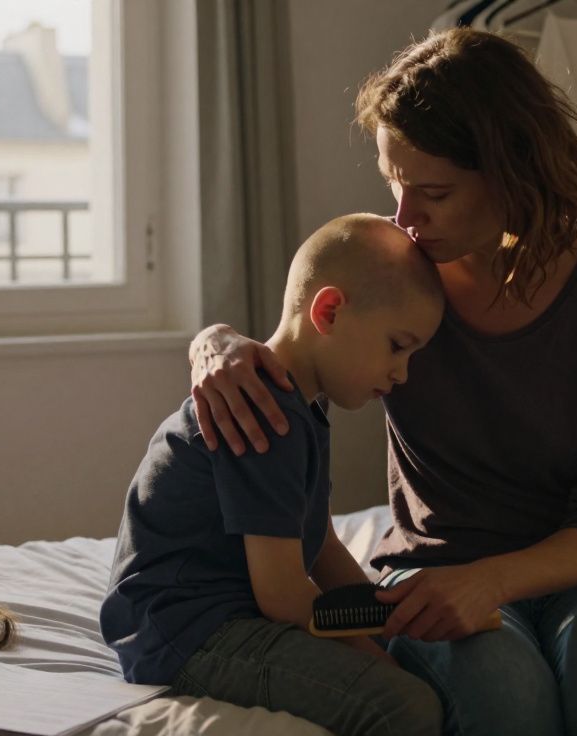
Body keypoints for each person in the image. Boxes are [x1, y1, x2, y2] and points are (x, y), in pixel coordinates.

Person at [186, 28, 577, 736]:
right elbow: (307, 339)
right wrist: (215, 342)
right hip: (433, 565)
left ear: (514, 175)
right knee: (504, 705)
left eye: (434, 193)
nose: (404, 218)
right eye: (394, 184)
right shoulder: (402, 281)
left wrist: (493, 580)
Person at [100, 213, 446, 736]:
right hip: (188, 632)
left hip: (218, 616)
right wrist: (376, 660)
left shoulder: (302, 408)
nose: (402, 374)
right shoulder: (267, 412)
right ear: (328, 311)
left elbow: (320, 543)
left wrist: (385, 619)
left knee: (418, 660)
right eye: (398, 346)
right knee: (404, 706)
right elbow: (283, 595)